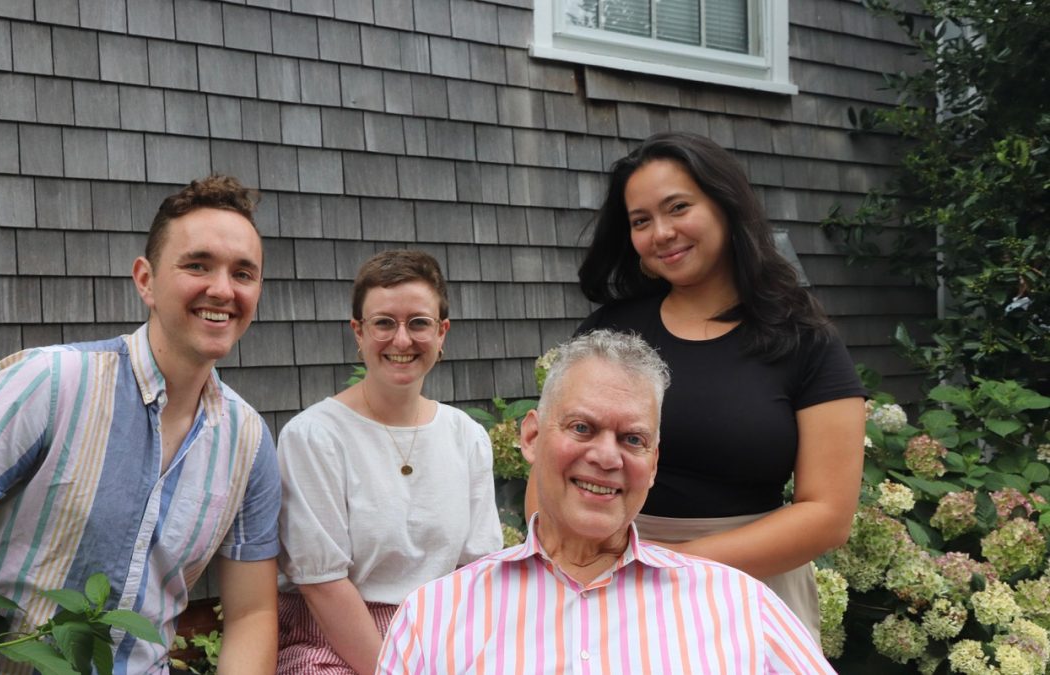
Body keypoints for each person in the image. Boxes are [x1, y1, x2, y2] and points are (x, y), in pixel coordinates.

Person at [527, 132, 866, 640]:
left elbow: (828, 515)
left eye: (678, 208)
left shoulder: (805, 340)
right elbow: (551, 469)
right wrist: (576, 558)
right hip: (604, 585)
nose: (661, 233)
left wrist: (667, 566)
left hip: (749, 587)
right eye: (641, 221)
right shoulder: (610, 332)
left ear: (725, 206)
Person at [377, 330, 836, 674]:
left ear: (653, 464)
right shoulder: (436, 616)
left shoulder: (739, 607)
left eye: (632, 439)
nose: (606, 457)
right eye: (582, 428)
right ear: (531, 436)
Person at [0, 175, 281, 673]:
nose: (223, 289)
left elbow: (252, 614)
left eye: (243, 273)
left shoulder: (248, 442)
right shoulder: (48, 383)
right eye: (197, 265)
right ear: (145, 280)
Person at [275, 249, 502, 675]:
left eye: (418, 323)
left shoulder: (466, 436)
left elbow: (479, 571)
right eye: (383, 323)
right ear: (358, 332)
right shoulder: (315, 437)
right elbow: (322, 585)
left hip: (441, 637)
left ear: (442, 333)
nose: (401, 340)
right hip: (334, 642)